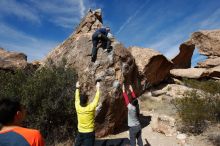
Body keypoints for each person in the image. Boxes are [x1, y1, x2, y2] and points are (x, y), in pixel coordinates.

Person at [74, 81, 100, 146]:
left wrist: (77, 88)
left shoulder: (77, 106)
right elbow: (96, 99)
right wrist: (98, 88)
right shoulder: (91, 107)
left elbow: (76, 98)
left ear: (80, 101)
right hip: (89, 132)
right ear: (87, 101)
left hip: (80, 132)